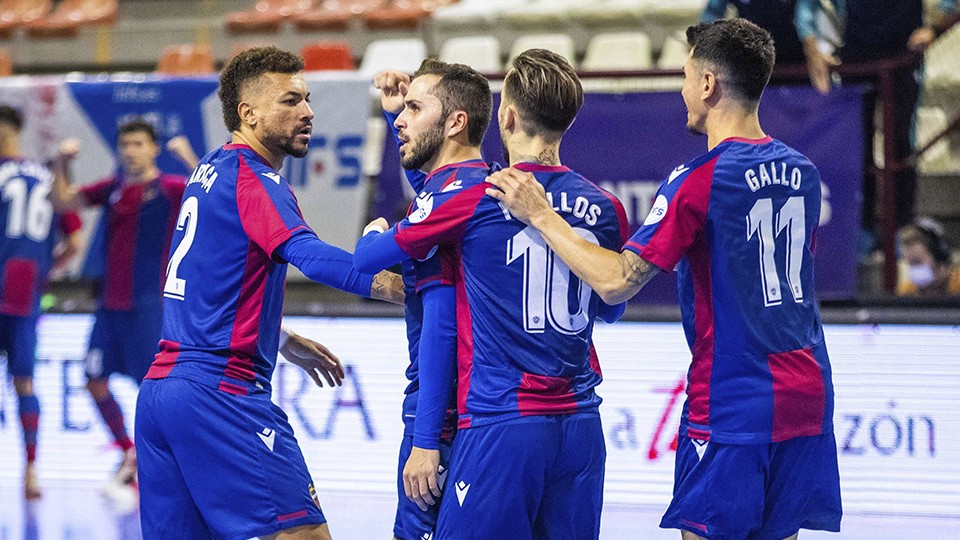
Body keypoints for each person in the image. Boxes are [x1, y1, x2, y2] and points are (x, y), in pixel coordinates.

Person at [487, 20, 842, 540]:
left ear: (707, 84)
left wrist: (541, 215)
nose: (681, 89)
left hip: (733, 400)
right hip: (809, 394)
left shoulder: (698, 179)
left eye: (684, 74)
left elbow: (616, 283)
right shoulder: (805, 172)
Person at [354, 48, 629, 539]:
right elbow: (611, 308)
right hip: (582, 425)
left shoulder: (478, 195)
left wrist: (374, 234)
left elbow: (375, 254)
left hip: (504, 421)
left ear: (506, 115)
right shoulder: (604, 205)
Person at [133, 46, 403, 540]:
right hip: (222, 393)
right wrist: (389, 286)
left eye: (307, 99)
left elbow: (206, 280)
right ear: (248, 113)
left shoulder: (210, 169)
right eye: (290, 100)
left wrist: (277, 334)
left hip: (160, 395)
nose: (307, 111)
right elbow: (308, 253)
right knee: (304, 535)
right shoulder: (257, 180)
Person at [372, 60, 496, 540]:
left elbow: (440, 328)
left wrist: (425, 440)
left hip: (439, 414)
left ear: (455, 122)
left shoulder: (441, 207)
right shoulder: (487, 184)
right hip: (491, 412)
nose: (402, 118)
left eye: (413, 108)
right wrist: (393, 117)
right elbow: (438, 192)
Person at [50, 119, 190, 499]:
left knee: (154, 391)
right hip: (109, 308)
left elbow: (216, 197)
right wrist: (62, 164)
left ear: (153, 149)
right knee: (94, 381)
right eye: (125, 143)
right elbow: (63, 201)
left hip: (150, 307)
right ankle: (130, 453)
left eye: (138, 143)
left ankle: (158, 466)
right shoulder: (112, 188)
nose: (130, 150)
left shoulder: (172, 188)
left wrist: (188, 158)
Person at [0, 105, 82, 499]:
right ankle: (31, 472)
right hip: (25, 288)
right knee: (24, 382)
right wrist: (45, 270)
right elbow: (75, 242)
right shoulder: (46, 175)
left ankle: (31, 470)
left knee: (23, 381)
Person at [700, 0, 840, 94]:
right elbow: (711, 15)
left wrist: (813, 53)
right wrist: (701, 46)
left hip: (796, 61)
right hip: (752, 61)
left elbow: (804, 16)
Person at [897, 217, 960, 296]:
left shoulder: (958, 283)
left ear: (940, 257)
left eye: (918, 262)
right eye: (912, 265)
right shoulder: (907, 290)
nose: (917, 271)